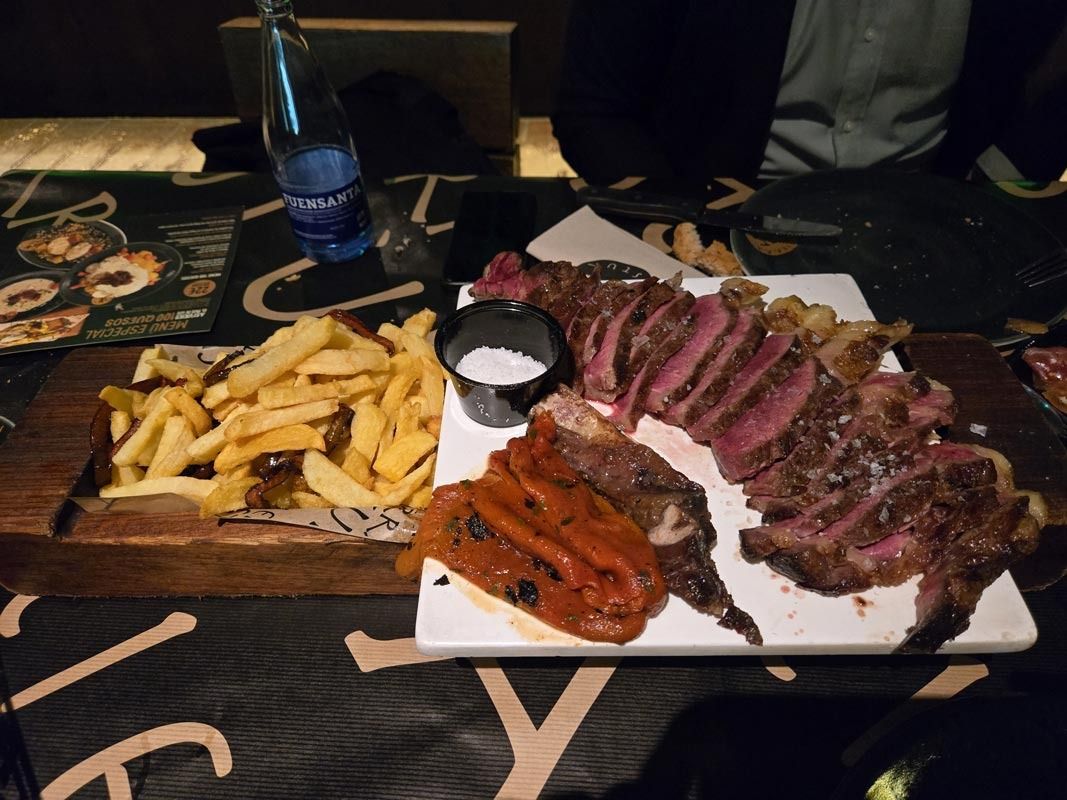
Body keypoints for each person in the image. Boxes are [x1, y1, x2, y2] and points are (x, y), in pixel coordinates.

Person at [552, 0, 1067, 187]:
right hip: (709, 211)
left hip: (939, 219)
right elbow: (594, 110)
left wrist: (1003, 183)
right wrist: (680, 217)